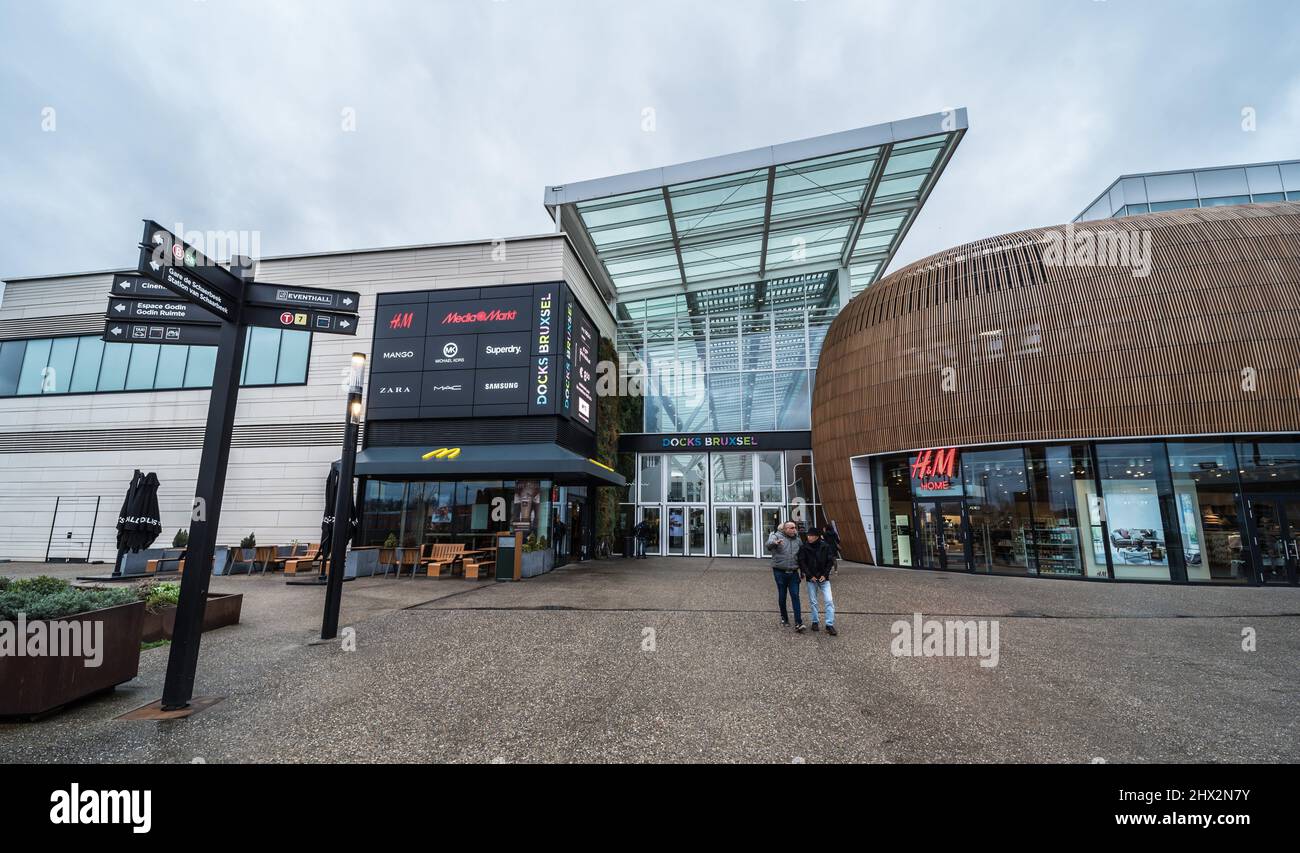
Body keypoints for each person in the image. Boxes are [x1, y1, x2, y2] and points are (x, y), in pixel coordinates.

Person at [766, 520, 804, 632]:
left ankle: (798, 622)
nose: (794, 530)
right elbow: (768, 545)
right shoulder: (776, 536)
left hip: (793, 573)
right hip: (780, 572)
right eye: (791, 528)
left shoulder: (797, 540)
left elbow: (802, 555)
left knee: (795, 596)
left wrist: (803, 571)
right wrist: (775, 543)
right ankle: (784, 617)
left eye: (794, 527)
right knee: (782, 595)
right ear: (785, 529)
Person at [798, 527, 837, 635]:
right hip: (812, 579)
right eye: (808, 535)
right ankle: (815, 621)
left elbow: (830, 561)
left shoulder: (825, 546)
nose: (809, 537)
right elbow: (802, 562)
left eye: (811, 536)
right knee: (813, 601)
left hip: (824, 579)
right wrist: (809, 575)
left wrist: (825, 574)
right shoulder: (804, 547)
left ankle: (829, 624)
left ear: (817, 537)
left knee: (829, 601)